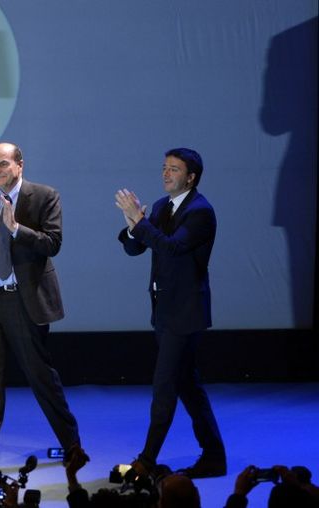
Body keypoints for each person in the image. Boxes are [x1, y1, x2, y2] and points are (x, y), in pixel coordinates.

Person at [0, 142, 85, 475]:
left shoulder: (45, 196)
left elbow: (53, 243)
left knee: (40, 377)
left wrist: (16, 229)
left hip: (25, 302)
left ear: (20, 165)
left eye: (3, 165)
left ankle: (72, 446)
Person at [114, 147, 226, 479]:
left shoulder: (200, 212)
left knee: (165, 388)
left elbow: (173, 248)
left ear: (190, 177)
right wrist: (133, 225)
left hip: (185, 313)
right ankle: (214, 457)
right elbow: (137, 248)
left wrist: (141, 222)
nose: (165, 174)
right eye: (164, 168)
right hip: (164, 311)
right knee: (188, 386)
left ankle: (146, 462)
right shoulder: (164, 206)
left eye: (174, 169)